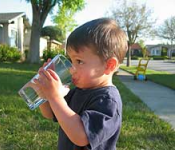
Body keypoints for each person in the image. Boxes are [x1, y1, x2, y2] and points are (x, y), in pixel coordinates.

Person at [33, 18, 128, 150]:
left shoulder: (108, 101)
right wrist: (44, 94)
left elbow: (81, 136)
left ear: (109, 65)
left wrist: (55, 97)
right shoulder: (79, 90)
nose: (71, 69)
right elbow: (50, 113)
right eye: (71, 60)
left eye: (79, 61)